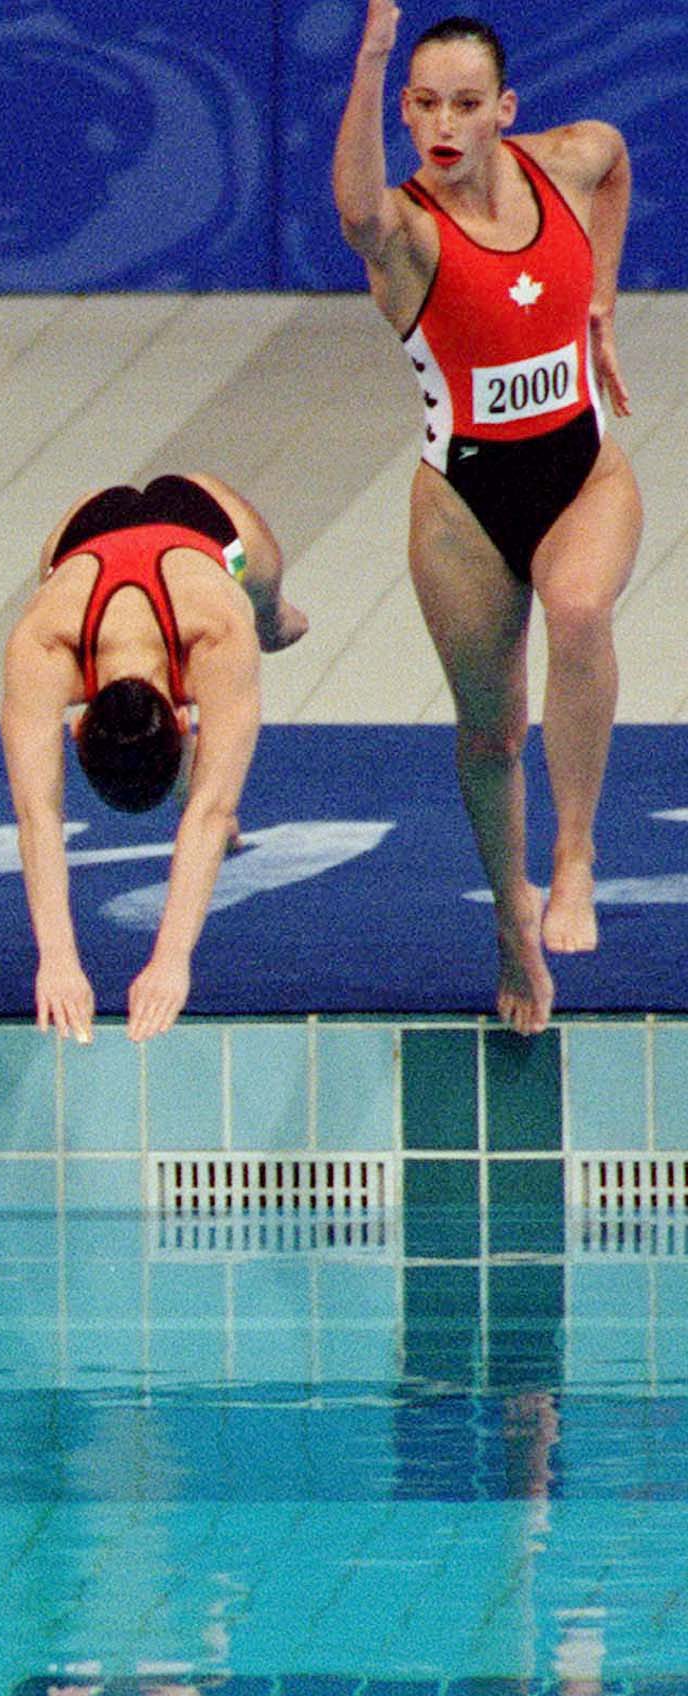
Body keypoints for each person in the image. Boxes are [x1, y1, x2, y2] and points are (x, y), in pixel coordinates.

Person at [334, 2, 639, 1036]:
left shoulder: (564, 161)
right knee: (492, 730)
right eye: (424, 106)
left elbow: (616, 161)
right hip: (462, 501)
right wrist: (373, 54)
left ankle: (576, 854)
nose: (444, 126)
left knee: (580, 605)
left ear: (504, 110)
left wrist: (598, 302)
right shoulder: (409, 232)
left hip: (583, 472)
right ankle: (513, 916)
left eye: (467, 105)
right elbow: (355, 212)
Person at [0, 474, 308, 1042]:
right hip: (115, 528)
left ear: (76, 727)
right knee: (227, 704)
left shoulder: (46, 643)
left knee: (266, 618)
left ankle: (275, 617)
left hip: (197, 531)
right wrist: (59, 959)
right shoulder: (50, 642)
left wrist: (169, 959)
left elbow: (39, 814)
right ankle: (260, 626)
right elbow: (36, 816)